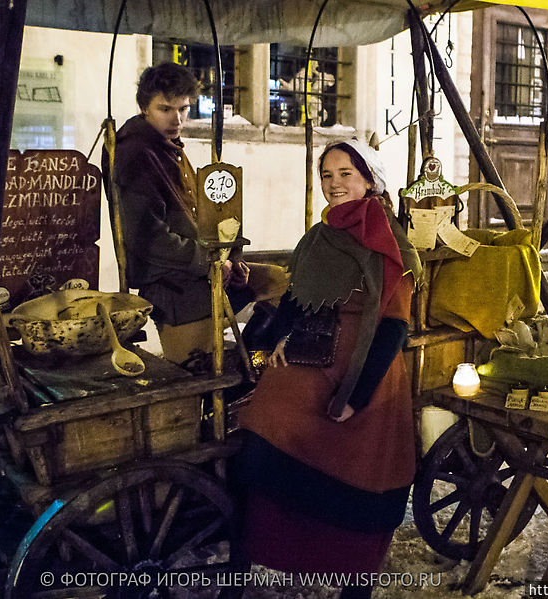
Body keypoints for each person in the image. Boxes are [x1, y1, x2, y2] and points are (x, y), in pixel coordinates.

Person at [236, 139, 422, 598]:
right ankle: (273, 550)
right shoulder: (317, 237)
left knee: (351, 463)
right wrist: (278, 337)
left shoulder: (390, 243)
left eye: (345, 173)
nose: (334, 184)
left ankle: (352, 580)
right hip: (312, 351)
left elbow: (393, 327)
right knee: (264, 424)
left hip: (364, 365)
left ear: (368, 179)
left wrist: (355, 396)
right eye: (327, 175)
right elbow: (296, 299)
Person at [104, 62, 286, 364]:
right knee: (194, 374)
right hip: (173, 288)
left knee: (279, 282)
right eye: (165, 109)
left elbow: (207, 213)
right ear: (143, 108)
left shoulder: (167, 147)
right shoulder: (134, 153)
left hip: (203, 274)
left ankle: (256, 364)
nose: (176, 119)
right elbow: (147, 238)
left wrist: (232, 256)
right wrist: (212, 261)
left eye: (183, 109)